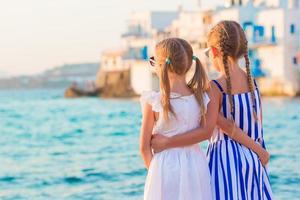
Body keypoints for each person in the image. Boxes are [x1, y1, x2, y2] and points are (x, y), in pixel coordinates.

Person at [151, 21, 273, 200]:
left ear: (214, 52)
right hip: (254, 160)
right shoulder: (253, 82)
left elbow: (215, 130)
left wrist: (167, 142)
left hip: (226, 162)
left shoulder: (215, 87)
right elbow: (256, 124)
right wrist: (259, 150)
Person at [139, 38, 212, 200]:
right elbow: (204, 132)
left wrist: (157, 173)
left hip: (164, 168)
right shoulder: (200, 98)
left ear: (160, 66)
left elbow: (144, 148)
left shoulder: (154, 102)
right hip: (195, 166)